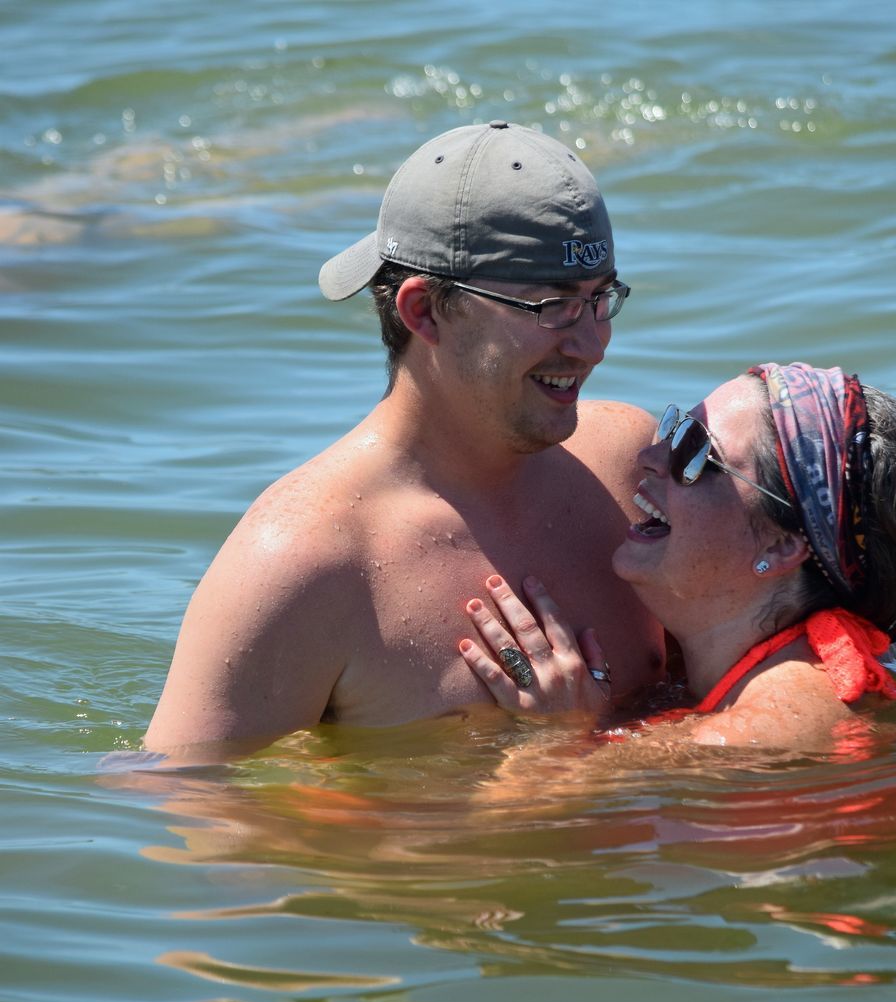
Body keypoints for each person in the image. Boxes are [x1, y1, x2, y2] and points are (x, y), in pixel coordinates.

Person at [143, 122, 666, 759]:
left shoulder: (630, 468)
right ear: (424, 311)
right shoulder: (308, 562)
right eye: (551, 305)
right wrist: (550, 765)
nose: (592, 344)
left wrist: (585, 751)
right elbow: (185, 809)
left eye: (600, 298)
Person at [458, 361, 896, 756]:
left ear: (781, 546)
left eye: (697, 457)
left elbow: (497, 833)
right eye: (675, 427)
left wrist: (559, 732)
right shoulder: (778, 665)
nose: (649, 457)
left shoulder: (756, 731)